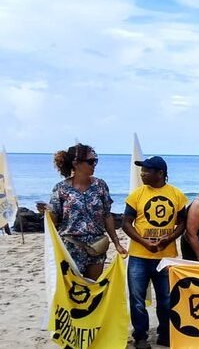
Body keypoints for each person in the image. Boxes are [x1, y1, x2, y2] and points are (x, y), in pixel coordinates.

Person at [122, 156, 187, 348]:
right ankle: (140, 336)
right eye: (142, 171)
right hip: (139, 256)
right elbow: (126, 223)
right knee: (137, 299)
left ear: (160, 173)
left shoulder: (177, 194)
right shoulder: (137, 194)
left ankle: (165, 334)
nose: (142, 174)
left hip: (165, 258)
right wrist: (143, 242)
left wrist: (168, 238)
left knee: (167, 299)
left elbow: (182, 222)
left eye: (146, 170)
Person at [40, 144, 126, 280]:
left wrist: (116, 243)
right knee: (72, 291)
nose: (94, 165)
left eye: (95, 161)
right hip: (71, 247)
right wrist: (47, 212)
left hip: (96, 246)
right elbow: (55, 219)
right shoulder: (61, 189)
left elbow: (107, 216)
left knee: (93, 288)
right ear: (76, 163)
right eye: (91, 161)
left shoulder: (100, 186)